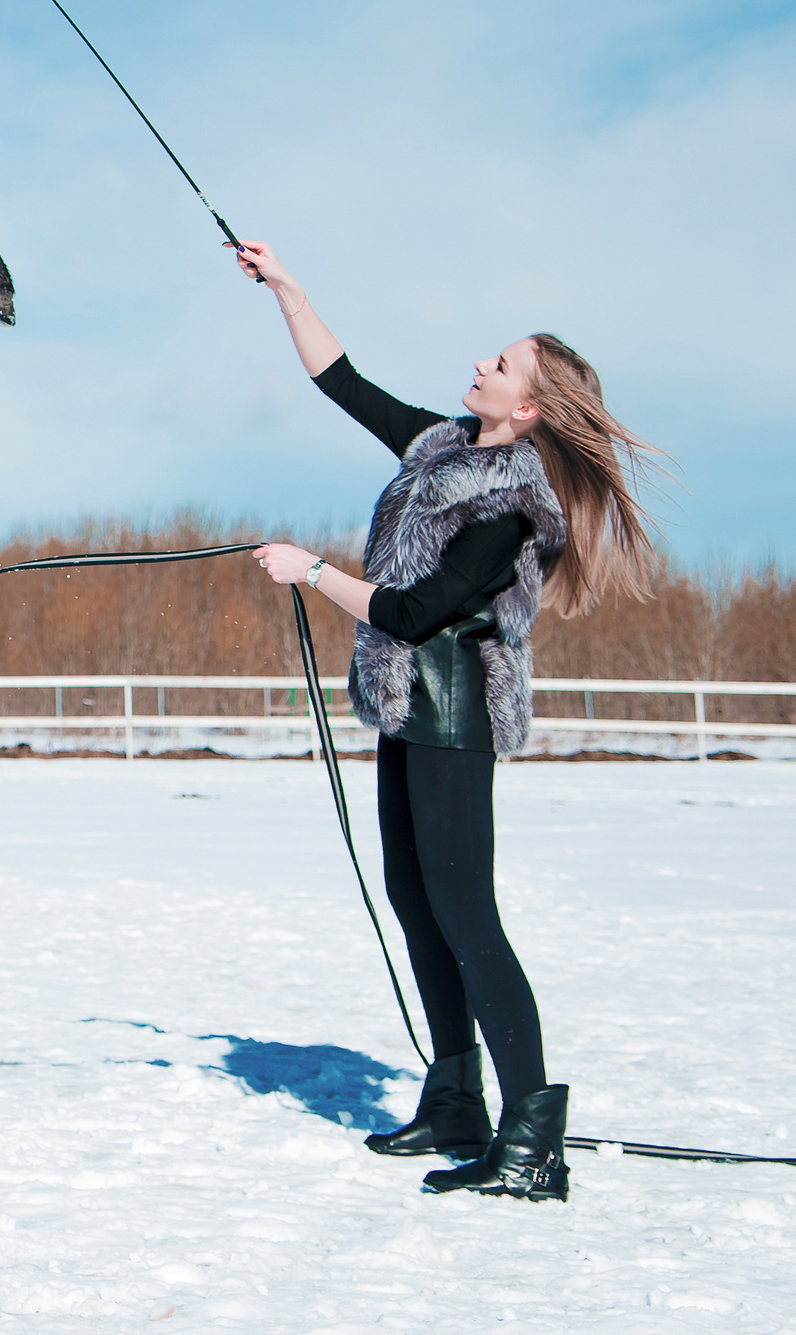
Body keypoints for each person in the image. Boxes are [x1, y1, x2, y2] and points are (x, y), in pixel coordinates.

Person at [232, 237, 661, 1203]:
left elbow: (417, 611)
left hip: (457, 708)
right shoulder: (441, 449)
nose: (480, 365)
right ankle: (456, 1099)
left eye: (499, 365)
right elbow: (343, 382)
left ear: (529, 408)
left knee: (470, 915)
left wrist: (313, 571)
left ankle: (530, 1141)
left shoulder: (511, 504)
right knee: (416, 901)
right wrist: (289, 288)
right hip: (403, 703)